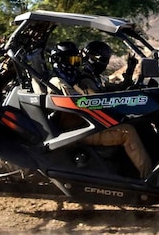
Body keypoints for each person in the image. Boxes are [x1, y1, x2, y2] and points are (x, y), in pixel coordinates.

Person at [48, 41, 152, 178]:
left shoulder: (78, 79)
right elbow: (85, 101)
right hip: (78, 131)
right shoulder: (61, 82)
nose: (74, 64)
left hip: (88, 124)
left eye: (76, 60)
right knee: (128, 131)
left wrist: (130, 71)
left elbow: (112, 91)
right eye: (71, 60)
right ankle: (149, 178)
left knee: (137, 123)